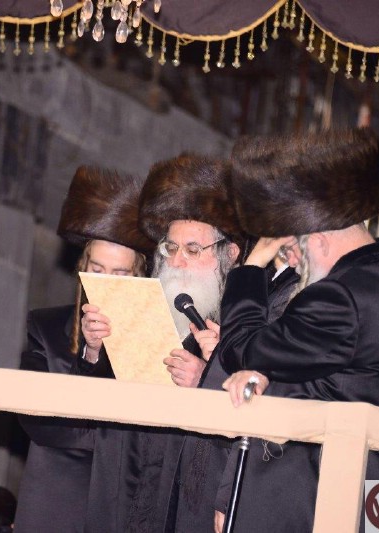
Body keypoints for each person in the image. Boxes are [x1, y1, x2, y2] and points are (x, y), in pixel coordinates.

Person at [216, 128, 379, 531]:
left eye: (291, 249)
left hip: (311, 509)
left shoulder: (340, 298)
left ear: (320, 241)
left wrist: (250, 268)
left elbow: (241, 349)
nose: (293, 263)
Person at [77, 153, 247, 532]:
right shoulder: (144, 310)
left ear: (230, 254)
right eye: (170, 248)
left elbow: (260, 421)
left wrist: (208, 379)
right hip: (130, 480)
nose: (177, 262)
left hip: (194, 498)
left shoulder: (247, 323)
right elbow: (89, 418)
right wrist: (95, 351)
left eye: (193, 249)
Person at [14, 166, 153, 533]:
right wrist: (91, 355)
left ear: (139, 277)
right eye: (97, 268)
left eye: (119, 274)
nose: (106, 282)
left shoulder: (156, 335)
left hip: (127, 503)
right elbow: (39, 422)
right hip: (58, 501)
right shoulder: (46, 327)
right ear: (82, 267)